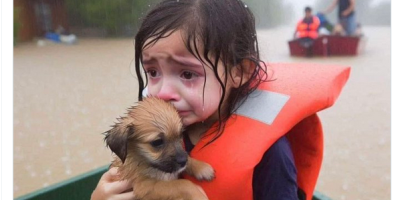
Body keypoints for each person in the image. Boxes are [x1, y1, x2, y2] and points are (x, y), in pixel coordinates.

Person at [91, 0, 350, 200]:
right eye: (153, 72)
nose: (162, 91)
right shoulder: (154, 128)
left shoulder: (272, 155)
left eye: (187, 73)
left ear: (239, 72)